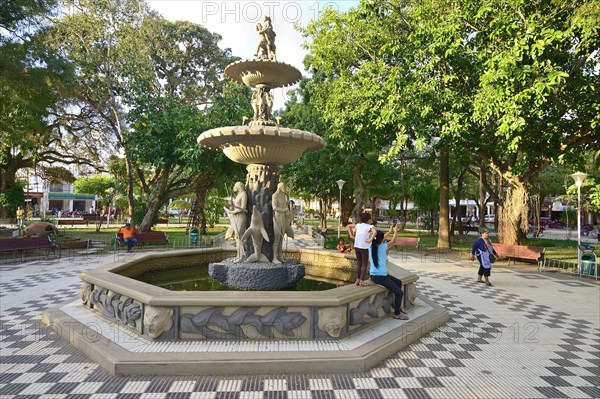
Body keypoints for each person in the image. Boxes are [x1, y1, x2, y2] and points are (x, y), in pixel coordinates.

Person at [368, 225, 409, 320]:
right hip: (380, 277)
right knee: (400, 293)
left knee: (399, 282)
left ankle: (396, 305)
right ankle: (397, 313)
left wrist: (389, 231)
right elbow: (394, 240)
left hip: (376, 275)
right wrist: (395, 231)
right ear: (381, 240)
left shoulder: (371, 246)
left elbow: (380, 238)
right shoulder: (383, 247)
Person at [348, 212, 376, 286]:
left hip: (357, 246)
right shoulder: (369, 226)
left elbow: (348, 226)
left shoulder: (358, 225)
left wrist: (351, 235)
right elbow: (375, 232)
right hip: (364, 247)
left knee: (359, 263)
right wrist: (370, 240)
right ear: (369, 220)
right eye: (371, 219)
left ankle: (357, 279)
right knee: (364, 264)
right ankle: (361, 280)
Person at [224, 182, 248, 262]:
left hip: (241, 216)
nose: (234, 187)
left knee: (240, 236)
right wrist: (232, 208)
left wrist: (234, 211)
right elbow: (236, 208)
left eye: (235, 186)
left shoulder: (244, 194)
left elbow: (243, 208)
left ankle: (241, 257)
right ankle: (238, 256)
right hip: (236, 216)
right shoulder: (238, 194)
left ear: (239, 186)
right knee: (237, 237)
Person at [272, 182, 294, 263]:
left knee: (281, 237)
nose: (284, 187)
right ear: (280, 187)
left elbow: (284, 205)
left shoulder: (284, 196)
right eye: (283, 186)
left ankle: (280, 256)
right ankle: (274, 257)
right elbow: (274, 207)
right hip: (277, 218)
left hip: (284, 217)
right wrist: (284, 210)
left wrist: (287, 211)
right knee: (277, 237)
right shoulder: (275, 195)